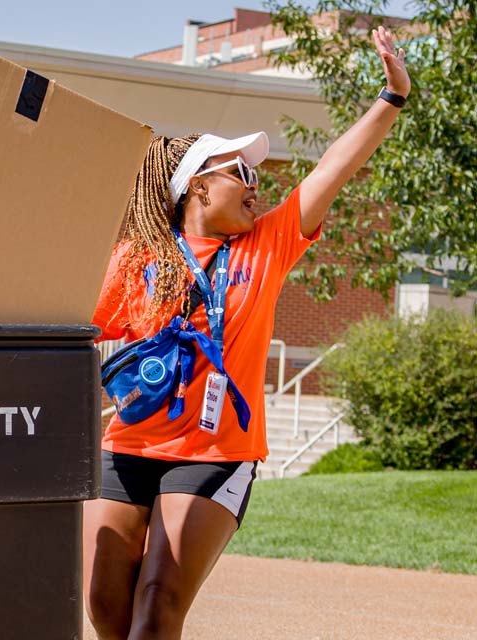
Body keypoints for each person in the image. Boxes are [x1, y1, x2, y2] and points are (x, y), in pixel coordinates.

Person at [84, 27, 411, 640]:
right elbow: (69, 325)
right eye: (241, 170)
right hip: (128, 445)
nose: (257, 183)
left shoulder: (267, 244)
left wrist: (391, 97)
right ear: (198, 186)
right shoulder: (137, 260)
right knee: (106, 608)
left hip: (216, 455)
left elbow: (333, 169)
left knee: (156, 608)